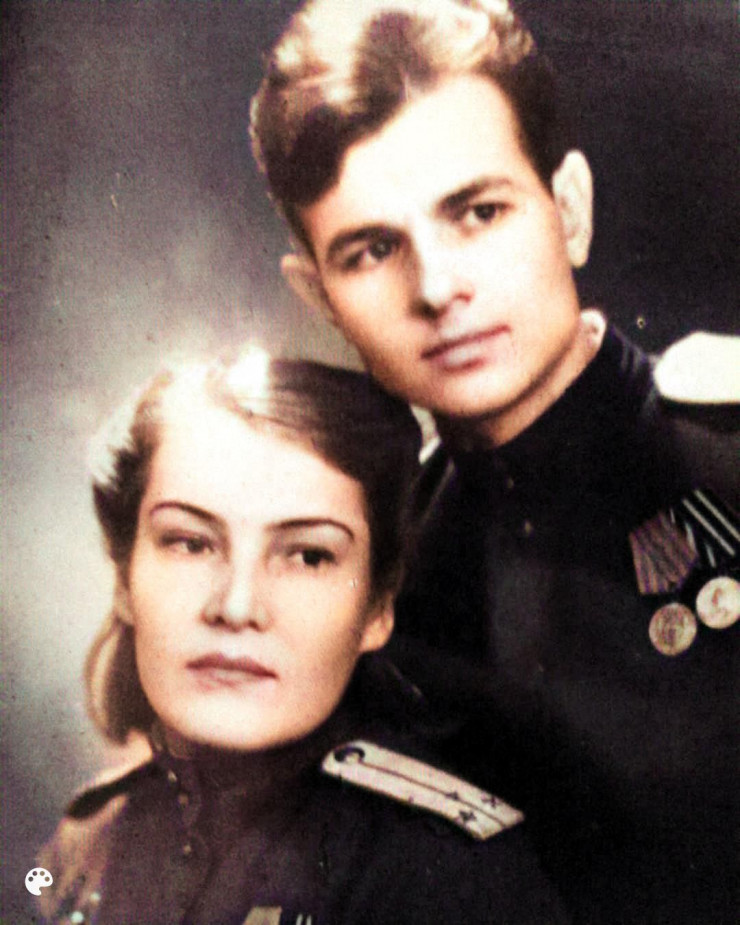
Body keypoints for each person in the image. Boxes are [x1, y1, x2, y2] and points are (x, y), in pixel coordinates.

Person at [250, 1, 739, 922]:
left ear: (570, 211)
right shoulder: (382, 585)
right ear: (319, 296)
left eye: (478, 212)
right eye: (372, 250)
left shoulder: (726, 457)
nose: (437, 288)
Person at [37, 348, 568, 925]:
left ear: (377, 608)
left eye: (309, 556)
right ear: (124, 578)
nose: (236, 607)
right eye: (190, 543)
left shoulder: (450, 881)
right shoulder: (94, 836)